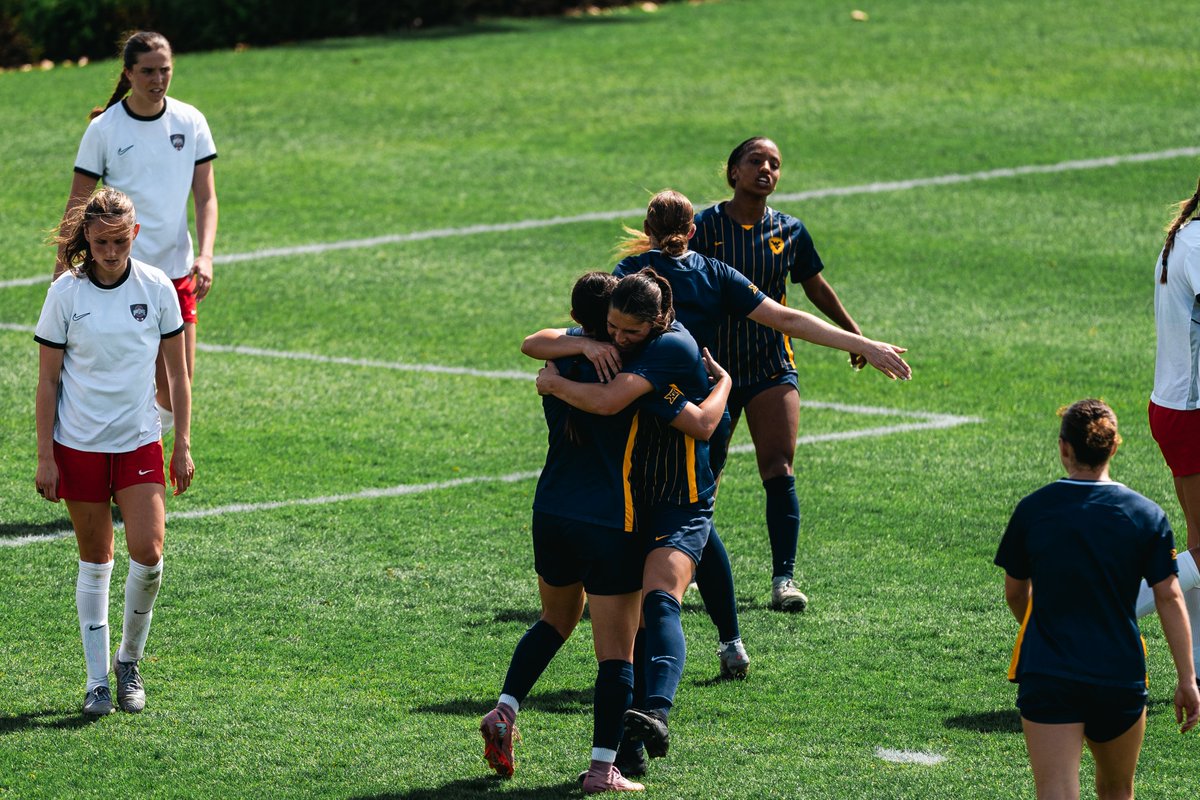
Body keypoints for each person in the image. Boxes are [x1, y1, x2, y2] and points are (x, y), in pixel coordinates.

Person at [481, 272, 731, 793]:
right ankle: (603, 769)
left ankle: (505, 708)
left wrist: (557, 376)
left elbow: (533, 341)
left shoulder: (561, 358)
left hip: (550, 512)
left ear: (576, 320)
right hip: (610, 520)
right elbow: (696, 422)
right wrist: (725, 383)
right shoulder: (633, 371)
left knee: (554, 620)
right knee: (617, 654)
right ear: (607, 322)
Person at [690, 136, 874, 613]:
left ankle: (783, 580)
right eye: (756, 161)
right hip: (713, 369)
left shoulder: (790, 231)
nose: (766, 169)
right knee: (703, 471)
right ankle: (687, 562)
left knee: (779, 469)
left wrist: (855, 337)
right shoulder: (703, 227)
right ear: (733, 172)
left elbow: (815, 287)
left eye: (774, 163)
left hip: (772, 365)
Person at [34, 187, 194, 717]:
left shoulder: (156, 288)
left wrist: (182, 443)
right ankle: (97, 680)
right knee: (95, 559)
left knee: (148, 553)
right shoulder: (66, 294)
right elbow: (48, 381)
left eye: (120, 240)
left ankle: (131, 660)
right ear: (87, 239)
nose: (111, 250)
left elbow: (177, 372)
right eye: (101, 241)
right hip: (77, 444)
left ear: (135, 235)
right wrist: (45, 456)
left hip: (138, 441)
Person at [995, 399, 1199, 800]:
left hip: (1049, 672)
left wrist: (1037, 627)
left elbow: (1016, 592)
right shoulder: (1146, 515)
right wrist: (1187, 679)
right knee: (1117, 791)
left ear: (1064, 448)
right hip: (1117, 674)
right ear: (1114, 447)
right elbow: (1170, 598)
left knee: (1055, 792)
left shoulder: (1033, 510)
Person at [55, 30, 218, 433]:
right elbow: (78, 203)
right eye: (147, 71)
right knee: (125, 385)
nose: (157, 79)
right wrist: (61, 268)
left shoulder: (190, 121)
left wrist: (206, 254)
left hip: (177, 273)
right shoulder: (105, 130)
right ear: (128, 74)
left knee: (177, 386)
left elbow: (206, 198)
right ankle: (130, 480)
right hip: (119, 276)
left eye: (165, 70)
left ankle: (136, 470)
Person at [1150, 176, 1200, 677]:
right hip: (1191, 413)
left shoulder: (1185, 238)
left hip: (1178, 406)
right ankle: (1103, 612)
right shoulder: (1199, 245)